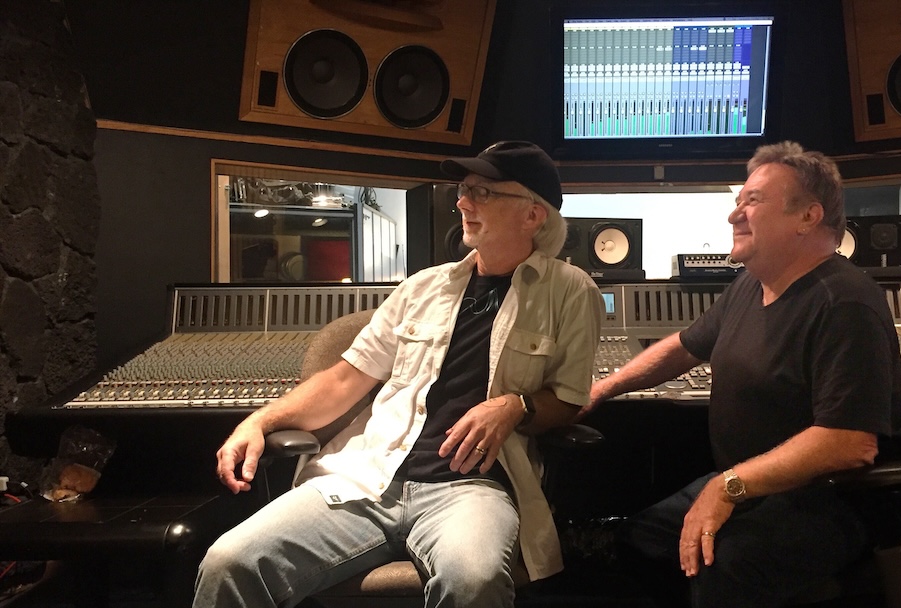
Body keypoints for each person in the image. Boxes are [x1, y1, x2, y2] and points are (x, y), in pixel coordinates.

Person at [194, 141, 604, 608]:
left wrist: (515, 406)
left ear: (533, 215)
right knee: (230, 560)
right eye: (464, 189)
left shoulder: (571, 292)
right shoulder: (422, 287)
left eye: (484, 192)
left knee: (473, 580)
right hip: (368, 477)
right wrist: (260, 421)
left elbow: (569, 399)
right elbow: (344, 381)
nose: (463, 202)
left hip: (471, 488)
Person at [585, 141, 901, 607]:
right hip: (754, 486)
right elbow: (684, 347)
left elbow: (849, 443)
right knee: (640, 543)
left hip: (830, 502)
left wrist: (727, 486)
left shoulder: (845, 303)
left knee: (723, 565)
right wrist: (603, 388)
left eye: (753, 201)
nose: (735, 215)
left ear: (807, 217)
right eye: (738, 202)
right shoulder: (752, 284)